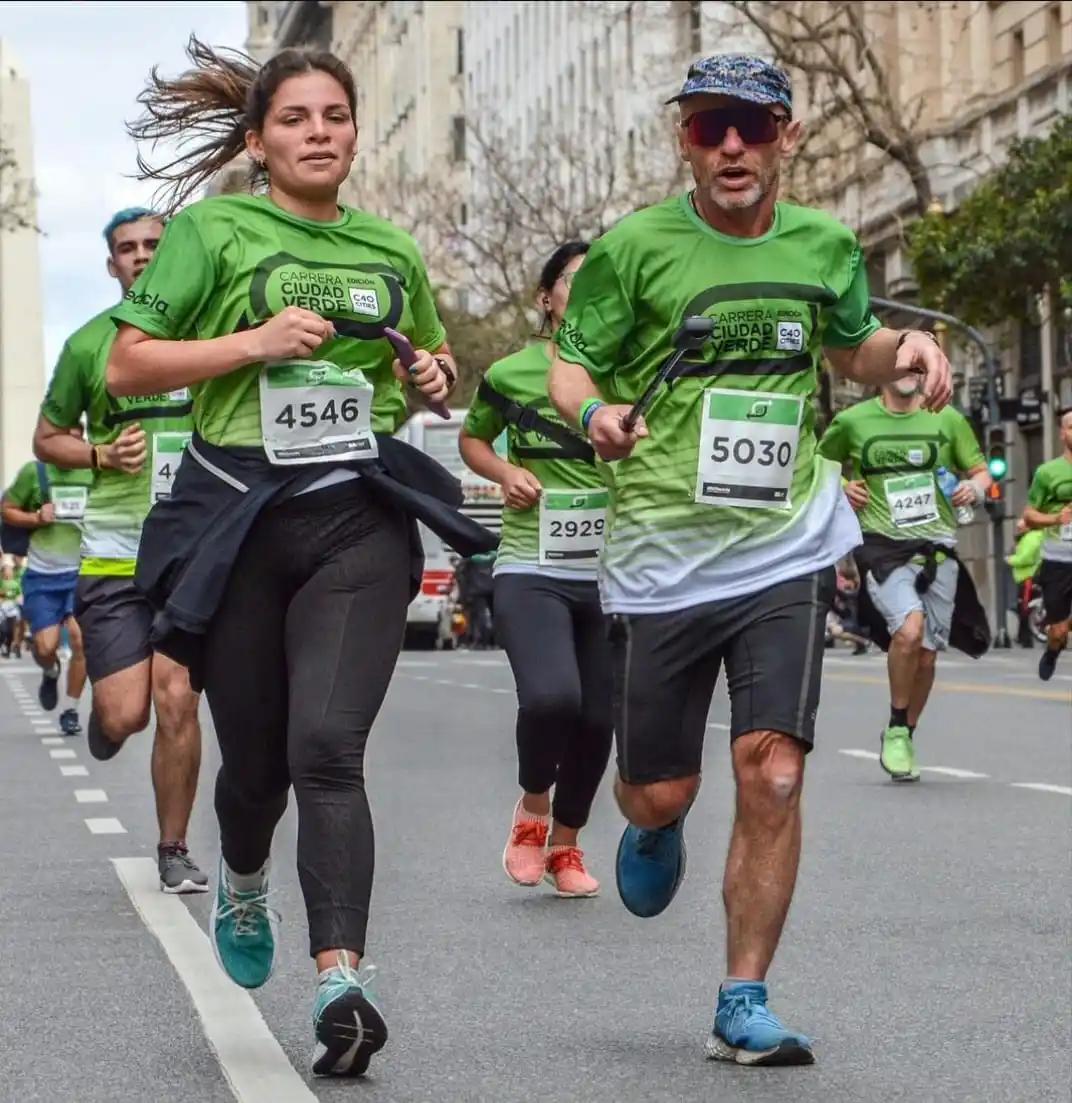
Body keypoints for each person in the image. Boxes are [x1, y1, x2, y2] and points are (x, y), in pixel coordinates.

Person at [546, 54, 952, 1066]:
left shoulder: (822, 242)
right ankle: (646, 822)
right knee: (661, 790)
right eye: (708, 127)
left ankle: (742, 995)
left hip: (783, 545)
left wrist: (899, 348)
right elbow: (570, 362)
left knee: (771, 773)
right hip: (658, 555)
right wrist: (592, 410)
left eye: (752, 126)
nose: (731, 146)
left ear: (786, 135)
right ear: (684, 138)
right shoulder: (634, 248)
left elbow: (848, 347)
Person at [106, 37, 490, 1079]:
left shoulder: (388, 248)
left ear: (352, 131)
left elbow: (422, 373)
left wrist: (431, 372)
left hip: (355, 517)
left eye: (334, 116)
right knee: (260, 769)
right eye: (295, 120)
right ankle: (239, 871)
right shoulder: (210, 231)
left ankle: (338, 979)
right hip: (239, 522)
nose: (319, 134)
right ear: (258, 140)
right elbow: (126, 361)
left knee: (328, 744)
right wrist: (251, 344)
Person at [33, 206, 208, 894]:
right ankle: (106, 726)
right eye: (127, 249)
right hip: (111, 558)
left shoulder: (208, 332)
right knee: (125, 712)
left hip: (191, 554)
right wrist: (99, 451)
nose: (140, 256)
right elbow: (48, 438)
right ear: (111, 266)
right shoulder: (87, 346)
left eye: (153, 245)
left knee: (177, 697)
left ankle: (173, 846)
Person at [460, 241, 612, 899]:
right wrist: (504, 472)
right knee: (554, 697)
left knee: (599, 716)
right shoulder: (511, 372)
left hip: (609, 569)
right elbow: (473, 438)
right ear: (545, 296)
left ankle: (568, 845)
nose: (585, 291)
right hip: (530, 562)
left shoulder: (625, 369)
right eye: (574, 280)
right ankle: (533, 809)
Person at [818, 376, 991, 778]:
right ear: (881, 369)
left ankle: (903, 732)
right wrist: (842, 486)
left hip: (937, 547)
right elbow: (816, 465)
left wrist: (973, 487)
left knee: (927, 655)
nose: (907, 371)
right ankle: (897, 723)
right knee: (909, 630)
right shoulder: (852, 420)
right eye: (898, 363)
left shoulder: (947, 420)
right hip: (882, 545)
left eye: (916, 365)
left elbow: (981, 472)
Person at [1, 450, 92, 734]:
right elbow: (6, 509)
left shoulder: (93, 471)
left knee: (79, 640)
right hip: (42, 576)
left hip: (81, 573)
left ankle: (71, 711)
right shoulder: (35, 473)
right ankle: (51, 671)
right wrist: (37, 517)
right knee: (44, 647)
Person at [1020, 407, 1072, 680]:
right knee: (1059, 630)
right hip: (1058, 560)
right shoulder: (1047, 473)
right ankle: (1052, 649)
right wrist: (1055, 518)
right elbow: (1029, 515)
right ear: (1063, 434)